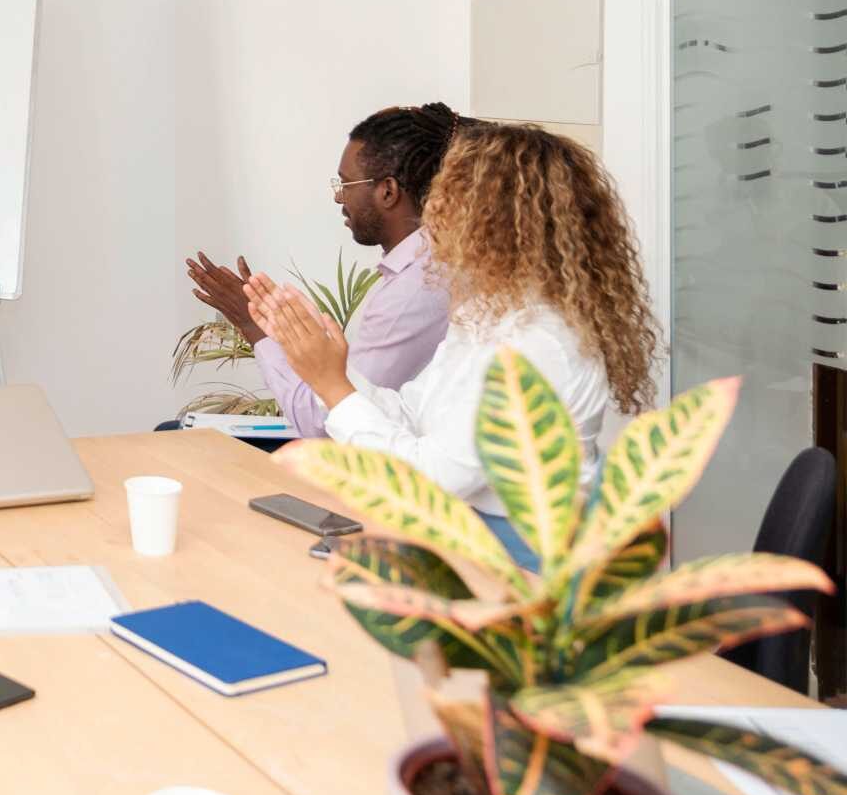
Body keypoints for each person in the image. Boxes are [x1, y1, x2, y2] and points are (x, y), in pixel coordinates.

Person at [248, 121, 660, 570]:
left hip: (531, 571)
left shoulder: (538, 341)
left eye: (449, 199)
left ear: (493, 220)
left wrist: (333, 387)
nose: (434, 215)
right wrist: (326, 366)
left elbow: (433, 481)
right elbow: (412, 416)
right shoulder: (489, 315)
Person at [184, 103, 459, 437]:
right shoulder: (427, 267)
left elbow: (324, 424)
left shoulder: (414, 290)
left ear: (388, 191)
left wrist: (253, 325)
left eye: (346, 184)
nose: (338, 197)